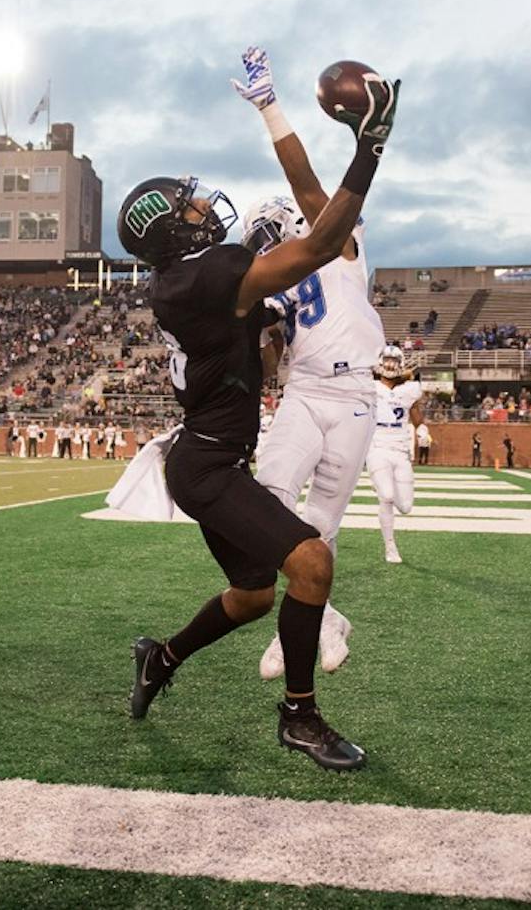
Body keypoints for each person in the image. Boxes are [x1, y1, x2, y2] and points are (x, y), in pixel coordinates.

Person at [118, 53, 397, 773]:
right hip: (208, 466)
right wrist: (370, 145)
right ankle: (300, 716)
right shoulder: (204, 277)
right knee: (312, 562)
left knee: (250, 596)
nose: (203, 209)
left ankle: (160, 657)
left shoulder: (187, 281)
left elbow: (261, 356)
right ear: (172, 236)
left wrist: (274, 328)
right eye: (188, 209)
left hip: (213, 455)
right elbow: (323, 240)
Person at [238, 188, 378, 677]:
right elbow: (270, 363)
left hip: (353, 393)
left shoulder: (341, 249)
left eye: (266, 233)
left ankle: (296, 627)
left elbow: (313, 192)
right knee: (267, 500)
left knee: (321, 522)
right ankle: (326, 618)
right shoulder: (279, 282)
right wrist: (257, 331)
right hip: (302, 390)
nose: (263, 246)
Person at [367, 346, 423, 564]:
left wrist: (422, 429)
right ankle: (390, 546)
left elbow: (416, 415)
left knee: (406, 507)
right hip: (377, 446)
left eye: (394, 361)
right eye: (387, 360)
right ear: (380, 362)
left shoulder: (410, 390)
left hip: (400, 450)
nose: (390, 365)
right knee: (387, 496)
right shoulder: (368, 386)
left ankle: (381, 485)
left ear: (401, 364)